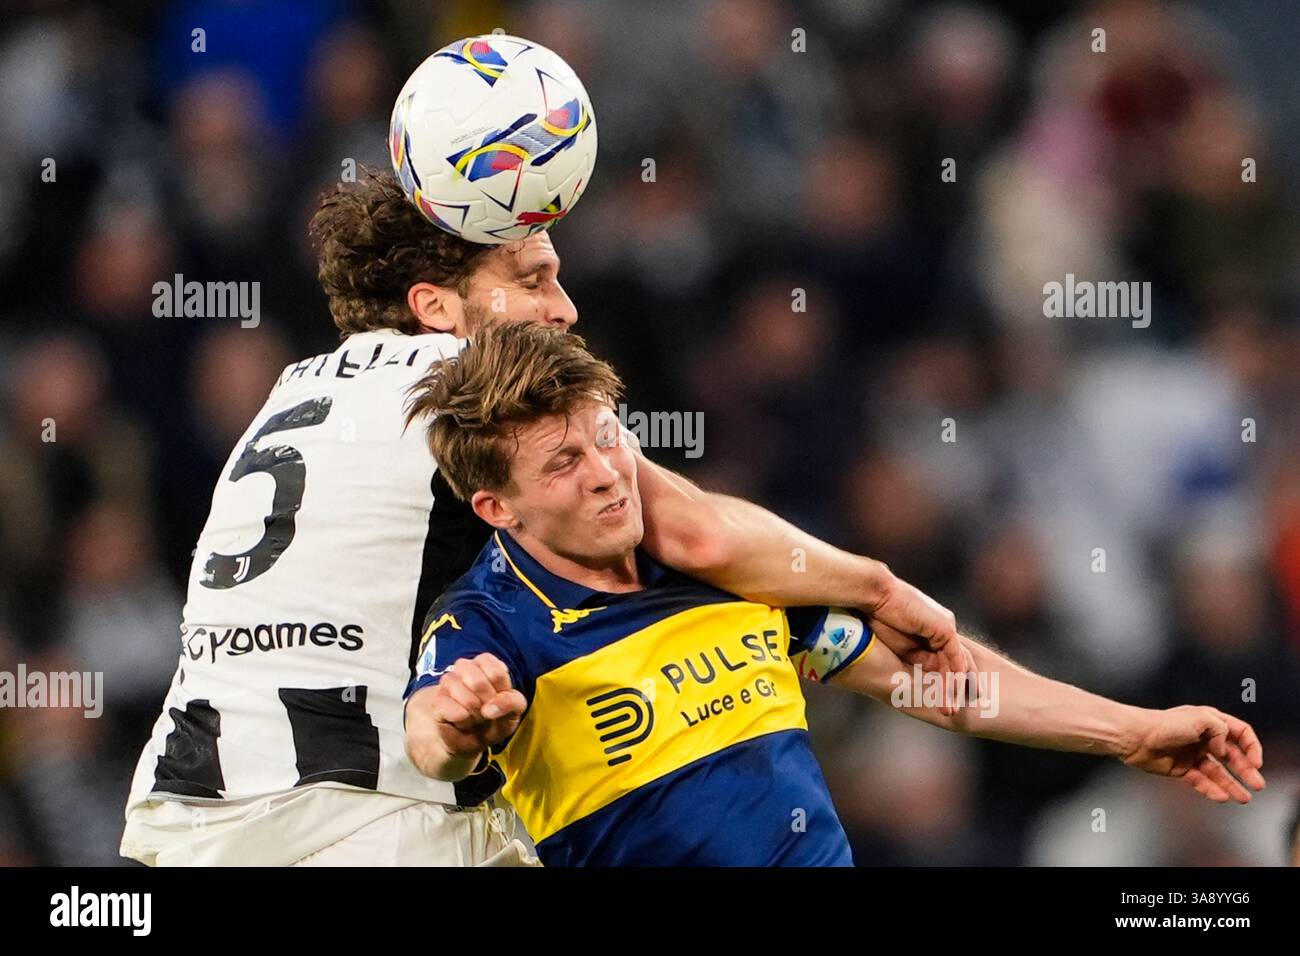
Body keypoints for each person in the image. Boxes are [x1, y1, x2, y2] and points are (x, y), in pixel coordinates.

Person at [121, 169, 968, 866]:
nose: (563, 309)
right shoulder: (468, 392)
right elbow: (698, 532)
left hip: (186, 813)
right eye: (533, 280)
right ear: (436, 308)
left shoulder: (290, 390)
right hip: (359, 817)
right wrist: (878, 585)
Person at [403, 322, 1267, 865]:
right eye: (564, 463)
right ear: (495, 507)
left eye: (606, 439)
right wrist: (457, 721)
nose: (607, 476)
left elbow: (938, 685)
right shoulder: (487, 620)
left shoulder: (729, 577)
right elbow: (431, 735)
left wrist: (1137, 731)